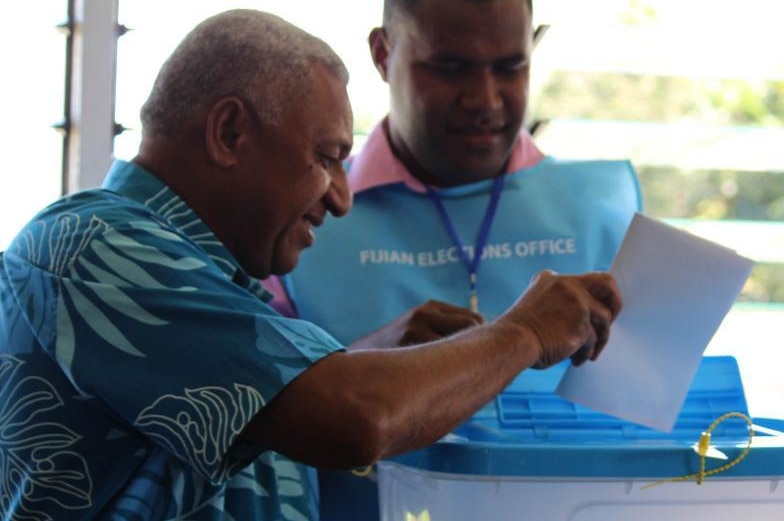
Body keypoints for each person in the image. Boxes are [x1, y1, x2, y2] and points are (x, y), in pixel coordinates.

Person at [0, 8, 622, 521]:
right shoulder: (91, 246)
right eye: (326, 158)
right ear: (229, 134)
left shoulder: (209, 276)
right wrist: (524, 332)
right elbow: (355, 421)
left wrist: (362, 357)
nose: (342, 197)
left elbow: (271, 414)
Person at [266, 0, 641, 519]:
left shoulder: (606, 212)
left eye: (511, 67)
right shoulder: (292, 214)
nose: (485, 100)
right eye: (450, 67)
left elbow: (670, 443)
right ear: (383, 54)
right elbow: (241, 437)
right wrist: (360, 366)